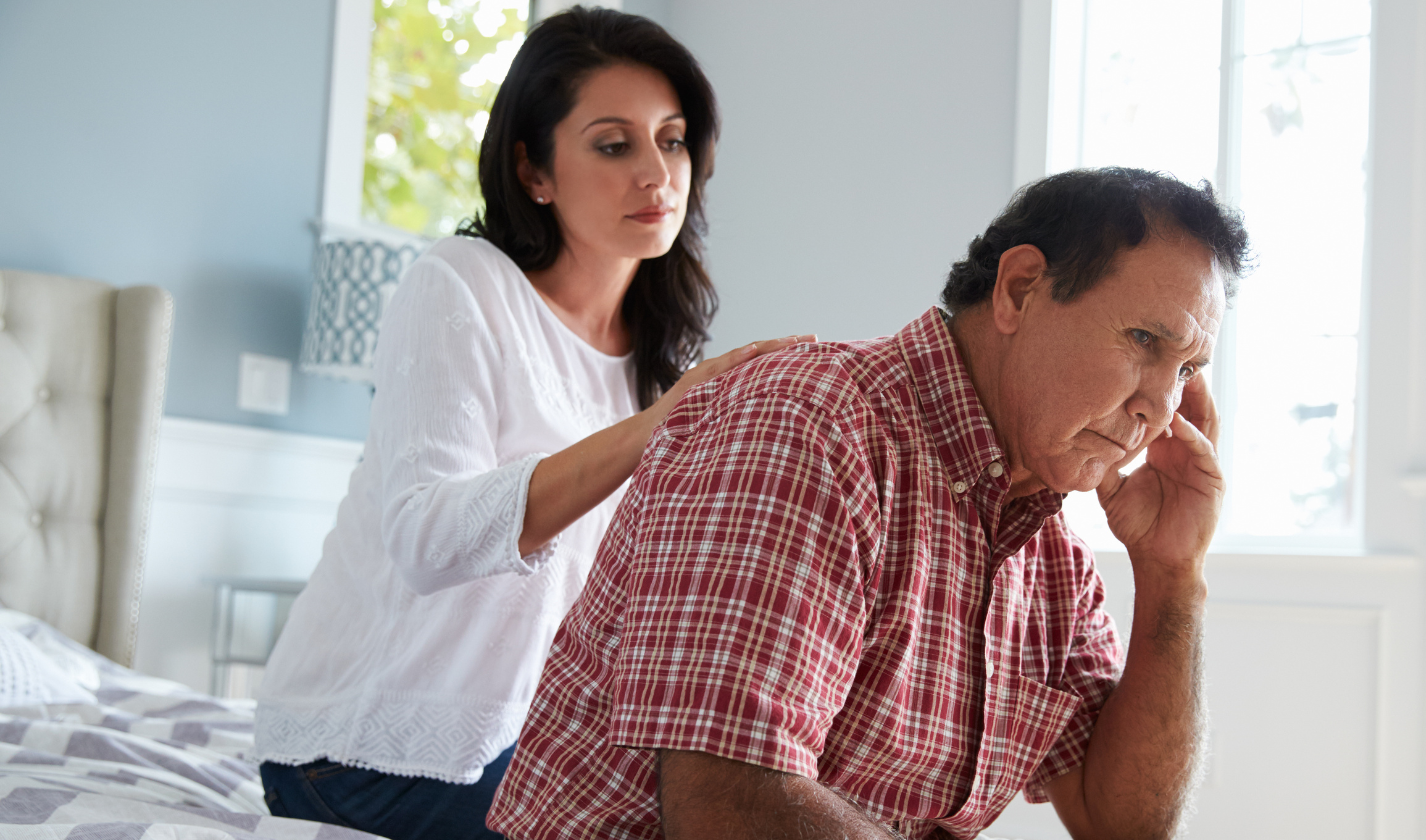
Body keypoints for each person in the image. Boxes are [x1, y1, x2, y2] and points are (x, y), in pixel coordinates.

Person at [485, 167, 1251, 840]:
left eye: (1188, 369)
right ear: (1020, 289)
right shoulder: (804, 425)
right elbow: (727, 807)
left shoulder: (1050, 554)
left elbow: (1125, 824)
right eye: (1144, 340)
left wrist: (1173, 575)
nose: (1160, 406)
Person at [252, 9, 807, 840]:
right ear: (533, 170)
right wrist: (657, 426)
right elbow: (426, 537)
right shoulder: (459, 283)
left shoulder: (657, 356)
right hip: (359, 751)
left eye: (673, 140)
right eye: (614, 145)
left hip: (531, 744)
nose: (656, 173)